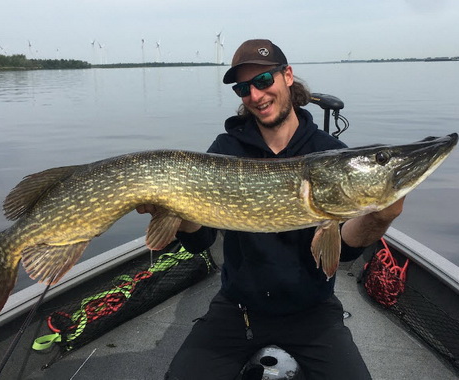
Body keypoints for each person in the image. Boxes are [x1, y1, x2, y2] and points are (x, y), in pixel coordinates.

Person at [137, 39, 404, 380]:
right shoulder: (226, 150)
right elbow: (200, 239)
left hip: (313, 311)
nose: (256, 96)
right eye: (243, 89)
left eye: (263, 81)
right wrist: (172, 214)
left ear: (287, 76)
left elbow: (347, 250)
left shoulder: (330, 152)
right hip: (238, 308)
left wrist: (380, 217)